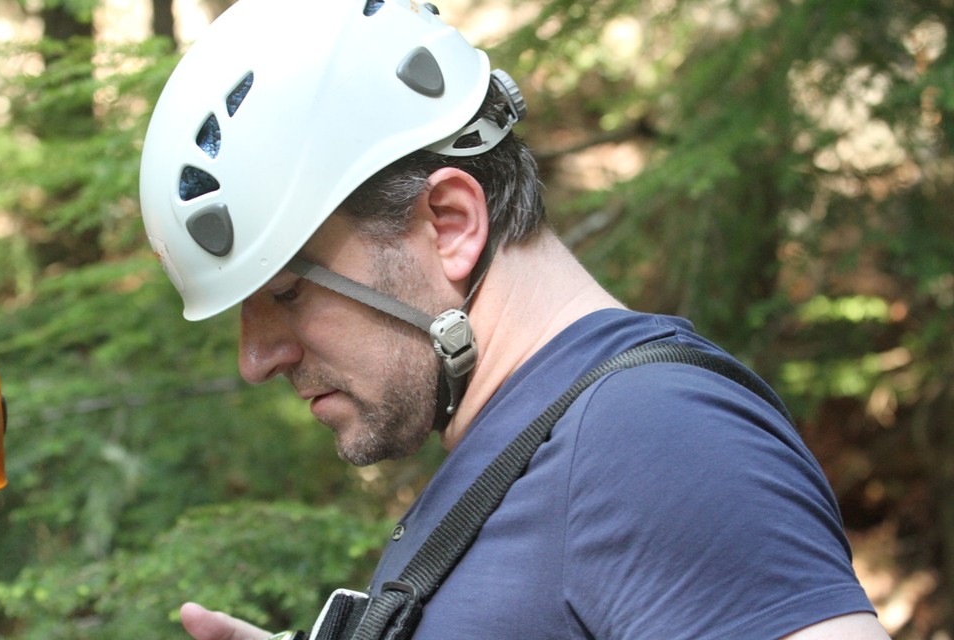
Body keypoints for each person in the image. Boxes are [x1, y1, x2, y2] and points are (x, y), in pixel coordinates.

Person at [139, 0, 890, 638]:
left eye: (287, 291)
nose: (255, 357)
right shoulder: (540, 447)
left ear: (451, 222)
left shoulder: (657, 442)